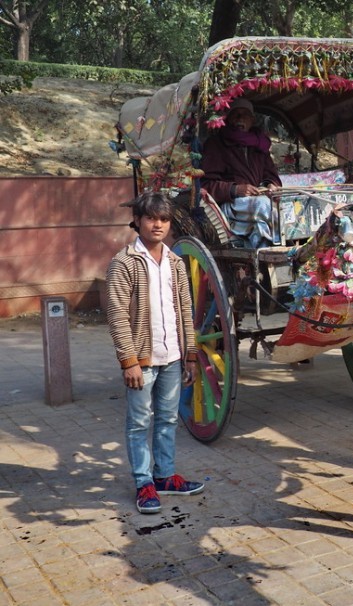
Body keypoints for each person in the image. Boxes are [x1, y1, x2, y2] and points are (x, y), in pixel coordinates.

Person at [106, 191, 205, 514]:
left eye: (164, 219)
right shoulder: (124, 263)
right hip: (143, 361)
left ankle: (164, 476)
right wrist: (129, 361)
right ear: (137, 221)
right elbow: (118, 314)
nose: (158, 225)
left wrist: (190, 354)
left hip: (173, 357)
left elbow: (185, 311)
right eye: (151, 218)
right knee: (139, 423)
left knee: (166, 420)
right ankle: (143, 483)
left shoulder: (176, 262)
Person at [201, 97, 283, 248]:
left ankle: (275, 250)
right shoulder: (216, 144)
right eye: (235, 114)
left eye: (245, 115)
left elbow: (271, 175)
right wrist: (235, 189)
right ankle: (276, 250)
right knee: (264, 206)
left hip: (256, 201)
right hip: (229, 205)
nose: (240, 119)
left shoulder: (260, 146)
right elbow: (206, 184)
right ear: (228, 118)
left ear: (252, 120)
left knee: (285, 205)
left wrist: (271, 185)